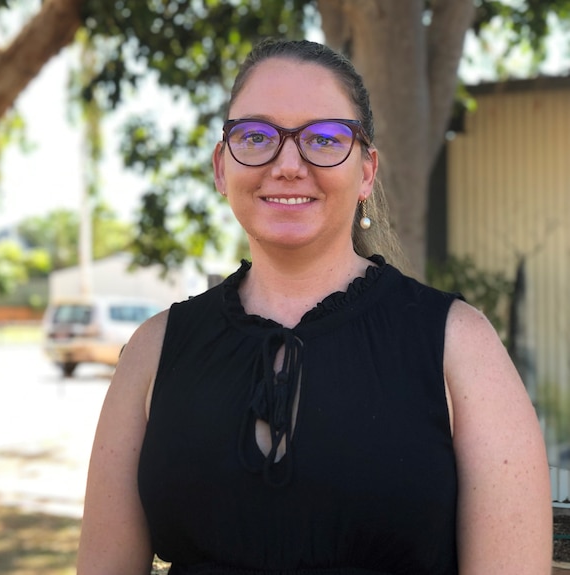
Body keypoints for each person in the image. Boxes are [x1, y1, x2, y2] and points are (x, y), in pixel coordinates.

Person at [75, 37, 552, 575]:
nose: (287, 164)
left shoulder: (459, 346)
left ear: (367, 171)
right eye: (256, 136)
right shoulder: (153, 352)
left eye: (324, 139)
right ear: (220, 166)